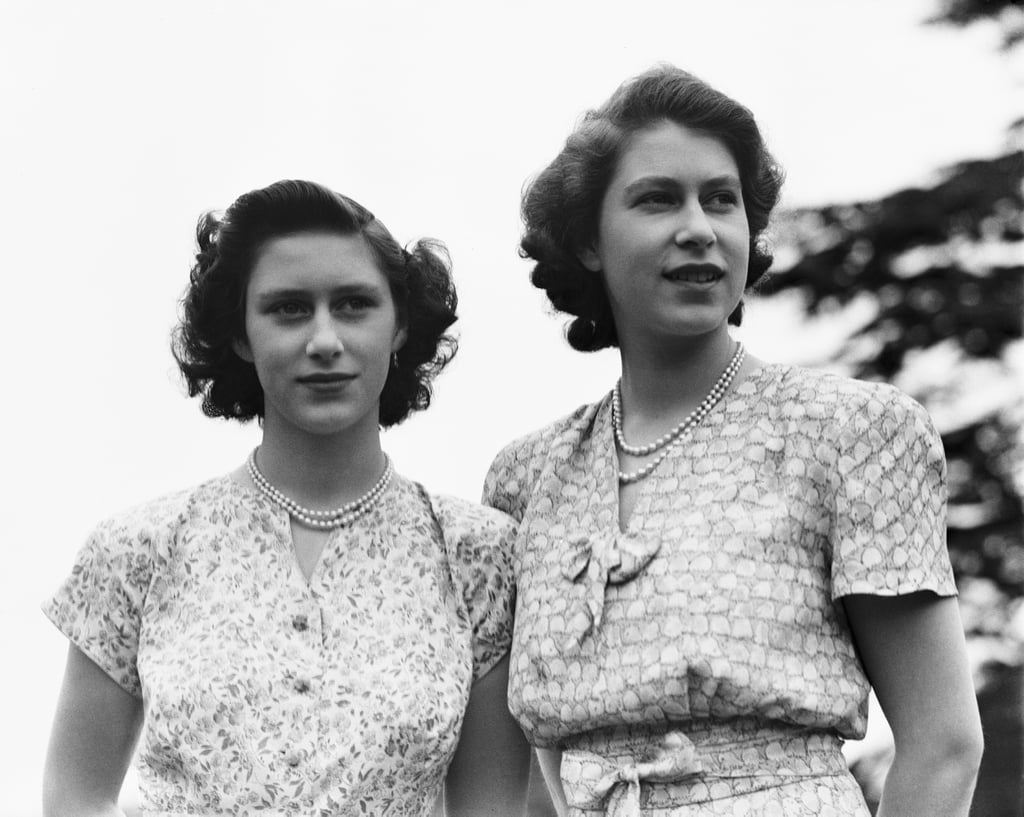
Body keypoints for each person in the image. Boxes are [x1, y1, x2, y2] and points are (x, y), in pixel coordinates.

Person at [483, 66, 983, 816]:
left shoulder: (850, 433)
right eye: (657, 199)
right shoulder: (527, 478)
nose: (699, 227)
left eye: (722, 199)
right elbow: (532, 769)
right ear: (587, 241)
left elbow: (944, 745)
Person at [43, 179, 529, 816]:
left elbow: (489, 809)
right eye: (288, 309)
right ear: (241, 334)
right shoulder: (136, 549)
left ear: (401, 326)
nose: (324, 340)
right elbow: (74, 798)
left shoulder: (478, 557)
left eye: (354, 305)